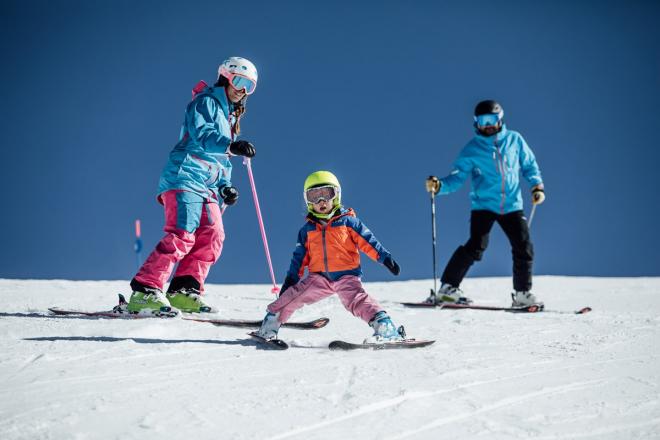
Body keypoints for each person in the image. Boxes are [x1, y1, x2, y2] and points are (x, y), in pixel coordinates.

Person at [126, 57, 259, 315]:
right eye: (240, 82)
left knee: (213, 234)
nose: (242, 90)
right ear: (226, 78)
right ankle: (144, 290)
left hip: (207, 186)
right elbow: (202, 135)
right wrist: (230, 145)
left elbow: (222, 163)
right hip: (184, 175)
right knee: (183, 234)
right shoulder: (205, 102)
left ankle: (183, 290)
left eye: (249, 87)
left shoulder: (229, 120)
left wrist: (224, 186)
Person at [256, 171, 404, 342]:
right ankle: (268, 328)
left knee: (357, 301)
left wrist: (384, 257)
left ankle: (386, 329)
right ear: (308, 201)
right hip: (318, 278)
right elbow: (298, 259)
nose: (321, 201)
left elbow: (368, 241)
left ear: (336, 195)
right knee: (292, 297)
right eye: (314, 196)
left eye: (326, 194)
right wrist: (290, 280)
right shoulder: (307, 231)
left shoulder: (349, 222)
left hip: (347, 275)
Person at [426, 100, 545, 307]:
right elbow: (456, 178)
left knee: (524, 247)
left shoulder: (514, 140)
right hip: (483, 205)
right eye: (483, 121)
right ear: (476, 123)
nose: (488, 125)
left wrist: (537, 186)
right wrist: (439, 186)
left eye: (492, 120)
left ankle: (522, 294)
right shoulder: (472, 149)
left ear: (501, 120)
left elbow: (529, 165)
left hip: (512, 205)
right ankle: (448, 288)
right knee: (476, 246)